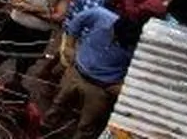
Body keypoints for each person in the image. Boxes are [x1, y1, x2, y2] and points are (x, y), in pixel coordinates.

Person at [46, 8, 142, 139]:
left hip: (101, 87)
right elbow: (76, 22)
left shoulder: (140, 45)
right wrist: (69, 46)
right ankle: (43, 129)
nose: (116, 40)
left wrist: (121, 86)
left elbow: (140, 73)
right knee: (57, 105)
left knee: (86, 124)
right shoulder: (100, 15)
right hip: (77, 71)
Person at [0, 0, 72, 93]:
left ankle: (15, 85)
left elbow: (59, 17)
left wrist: (31, 8)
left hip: (39, 33)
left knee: (26, 63)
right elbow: (17, 3)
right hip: (15, 26)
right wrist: (47, 10)